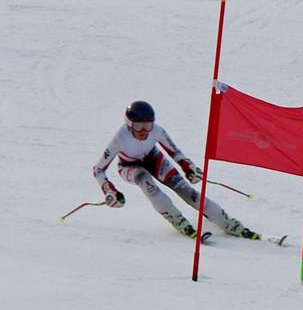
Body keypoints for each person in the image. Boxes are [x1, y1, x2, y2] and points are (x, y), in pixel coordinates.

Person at [92, 100, 260, 240]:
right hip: (129, 167)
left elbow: (175, 152)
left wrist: (188, 167)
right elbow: (98, 169)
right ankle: (177, 219)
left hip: (154, 159)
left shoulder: (157, 131)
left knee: (186, 190)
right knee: (146, 182)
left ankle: (228, 223)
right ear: (129, 125)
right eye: (139, 126)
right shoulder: (120, 138)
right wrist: (109, 190)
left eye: (148, 125)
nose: (144, 131)